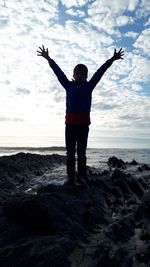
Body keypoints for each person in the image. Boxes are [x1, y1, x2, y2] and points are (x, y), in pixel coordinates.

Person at [37, 45, 124, 185]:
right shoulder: (68, 85)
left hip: (83, 125)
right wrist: (49, 59)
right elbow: (58, 72)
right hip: (70, 124)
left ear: (86, 76)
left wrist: (112, 59)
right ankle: (71, 176)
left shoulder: (90, 86)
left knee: (81, 152)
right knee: (70, 152)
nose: (80, 75)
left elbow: (100, 72)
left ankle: (82, 175)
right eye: (77, 73)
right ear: (74, 75)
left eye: (82, 74)